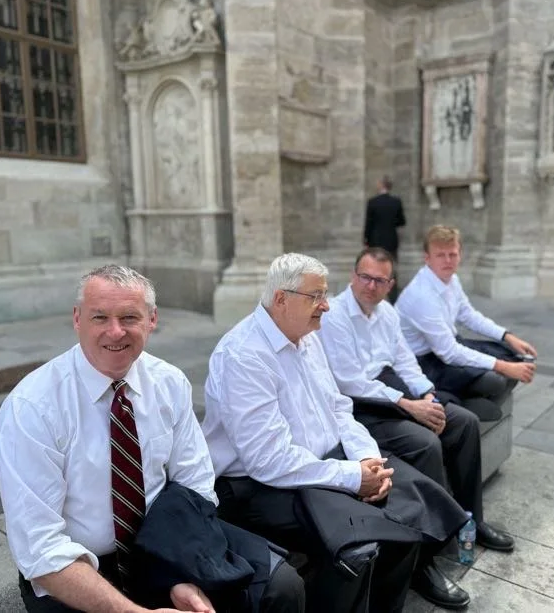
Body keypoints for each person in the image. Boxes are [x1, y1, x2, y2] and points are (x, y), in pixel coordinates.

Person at [0, 265, 304, 613]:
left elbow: (195, 484)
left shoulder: (168, 382)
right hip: (75, 563)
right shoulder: (32, 407)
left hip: (163, 539)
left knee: (280, 586)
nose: (115, 332)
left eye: (129, 317)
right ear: (77, 319)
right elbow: (39, 548)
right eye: (100, 318)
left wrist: (179, 571)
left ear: (152, 320)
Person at [201, 253, 469, 613]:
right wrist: (353, 477)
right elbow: (269, 461)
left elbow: (339, 407)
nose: (327, 306)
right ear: (281, 298)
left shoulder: (307, 336)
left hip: (317, 463)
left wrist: (367, 458)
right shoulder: (243, 356)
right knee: (370, 535)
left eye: (325, 294)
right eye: (316, 296)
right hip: (255, 487)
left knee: (411, 498)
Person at [318, 249, 515, 582]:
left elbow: (405, 361)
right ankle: (426, 561)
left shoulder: (387, 314)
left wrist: (427, 394)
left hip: (394, 390)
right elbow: (350, 380)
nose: (370, 286)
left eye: (380, 280)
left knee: (463, 422)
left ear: (390, 284)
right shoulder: (335, 315)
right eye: (364, 277)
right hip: (361, 404)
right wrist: (409, 405)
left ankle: (472, 521)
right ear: (353, 276)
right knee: (425, 443)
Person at [396, 225, 538, 421]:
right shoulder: (421, 296)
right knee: (495, 379)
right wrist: (503, 367)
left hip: (447, 345)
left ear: (460, 255)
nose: (448, 261)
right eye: (440, 255)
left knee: (515, 356)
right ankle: (461, 403)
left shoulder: (451, 279)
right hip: (423, 362)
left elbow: (469, 315)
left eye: (452, 254)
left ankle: (471, 399)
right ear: (427, 258)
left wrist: (507, 336)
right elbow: (449, 353)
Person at [363, 175, 406, 301]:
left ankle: (375, 296)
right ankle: (392, 298)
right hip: (391, 241)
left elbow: (368, 224)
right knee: (391, 269)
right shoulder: (396, 202)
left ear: (381, 185)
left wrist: (366, 240)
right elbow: (402, 221)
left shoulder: (373, 202)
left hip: (376, 241)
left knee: (375, 268)